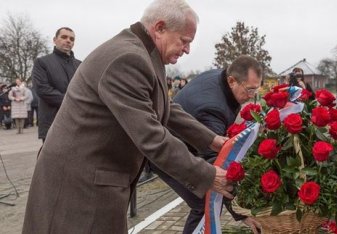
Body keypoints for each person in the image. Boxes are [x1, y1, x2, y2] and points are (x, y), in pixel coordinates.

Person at [22, 1, 233, 233]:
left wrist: (213, 140)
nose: (187, 50)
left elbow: (166, 108)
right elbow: (151, 136)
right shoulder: (128, 58)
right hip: (79, 184)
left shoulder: (146, 54)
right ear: (160, 28)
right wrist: (208, 175)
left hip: (96, 176)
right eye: (184, 41)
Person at [151, 55, 263, 234]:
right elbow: (217, 165)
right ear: (232, 80)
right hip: (164, 151)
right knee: (206, 201)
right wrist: (241, 213)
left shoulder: (222, 78)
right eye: (249, 90)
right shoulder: (212, 109)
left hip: (186, 144)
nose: (252, 96)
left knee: (209, 200)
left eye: (256, 89)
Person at [31, 27, 81, 142]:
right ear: (55, 40)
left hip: (78, 122)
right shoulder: (42, 62)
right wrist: (73, 101)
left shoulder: (80, 65)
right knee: (53, 159)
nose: (68, 40)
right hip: (53, 121)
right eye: (64, 37)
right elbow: (42, 89)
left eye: (72, 39)